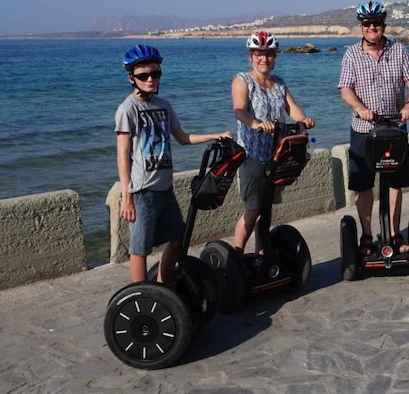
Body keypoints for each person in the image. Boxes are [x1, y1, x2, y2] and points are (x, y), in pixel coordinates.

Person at [115, 45, 231, 284]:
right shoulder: (128, 109)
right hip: (142, 191)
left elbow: (182, 138)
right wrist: (126, 196)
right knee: (140, 249)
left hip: (165, 189)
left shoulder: (164, 106)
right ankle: (142, 293)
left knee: (179, 237)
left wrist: (215, 135)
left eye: (155, 74)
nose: (150, 80)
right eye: (143, 76)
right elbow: (122, 154)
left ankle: (162, 283)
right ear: (131, 78)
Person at [338, 1, 409, 255]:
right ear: (361, 27)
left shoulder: (399, 51)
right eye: (367, 24)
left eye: (376, 23)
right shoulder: (351, 53)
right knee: (364, 185)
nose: (372, 27)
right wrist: (360, 108)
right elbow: (345, 89)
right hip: (364, 129)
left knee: (395, 182)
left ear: (383, 25)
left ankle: (394, 234)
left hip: (395, 126)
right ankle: (366, 235)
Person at [232, 31, 316, 256]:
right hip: (252, 155)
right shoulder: (243, 80)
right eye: (259, 54)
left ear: (274, 57)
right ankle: (236, 257)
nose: (264, 59)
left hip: (276, 155)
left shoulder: (278, 83)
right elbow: (239, 110)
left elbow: (292, 108)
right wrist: (256, 123)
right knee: (253, 209)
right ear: (251, 56)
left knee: (267, 209)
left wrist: (304, 119)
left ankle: (263, 253)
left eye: (268, 54)